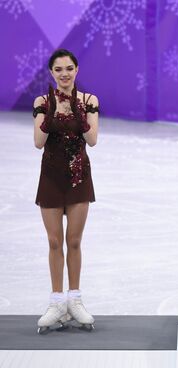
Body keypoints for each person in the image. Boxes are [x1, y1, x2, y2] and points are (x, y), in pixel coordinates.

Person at [33, 49, 99, 333]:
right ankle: (56, 301)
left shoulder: (89, 100)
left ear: (77, 70)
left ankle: (75, 299)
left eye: (69, 68)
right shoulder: (42, 102)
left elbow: (93, 139)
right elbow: (38, 141)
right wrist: (49, 117)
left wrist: (79, 114)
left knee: (73, 241)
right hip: (50, 177)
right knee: (53, 242)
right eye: (58, 69)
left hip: (78, 177)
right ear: (51, 73)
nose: (64, 74)